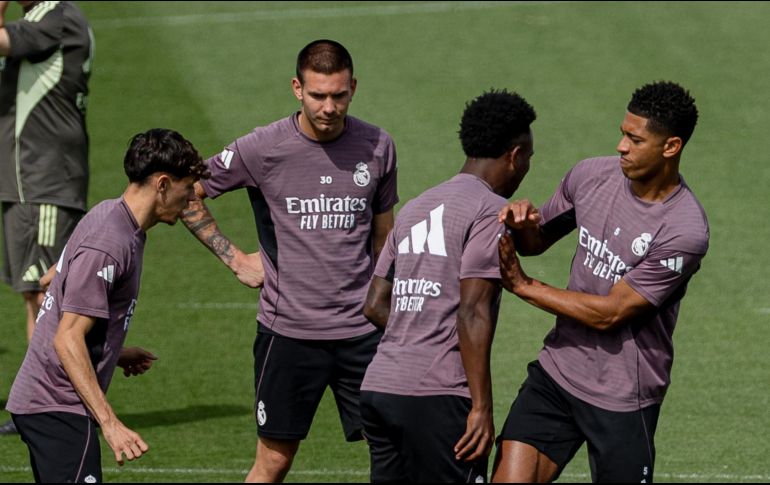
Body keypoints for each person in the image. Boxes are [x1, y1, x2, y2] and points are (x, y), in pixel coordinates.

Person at [181, 39, 398, 482]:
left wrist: (392, 305)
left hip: (363, 333)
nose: (329, 107)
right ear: (297, 88)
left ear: (353, 87)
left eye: (339, 95)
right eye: (318, 95)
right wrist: (235, 257)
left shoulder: (378, 146)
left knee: (394, 450)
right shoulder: (262, 148)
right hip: (289, 333)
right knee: (274, 461)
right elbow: (187, 192)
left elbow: (384, 234)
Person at [491, 81, 709, 483]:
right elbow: (537, 241)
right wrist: (521, 225)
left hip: (624, 397)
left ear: (671, 146)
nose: (621, 146)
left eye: (634, 138)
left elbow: (612, 313)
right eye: (623, 133)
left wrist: (524, 286)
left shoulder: (683, 230)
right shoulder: (591, 176)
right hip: (558, 371)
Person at [5, 128, 209, 483]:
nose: (192, 197)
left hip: (48, 401)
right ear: (162, 184)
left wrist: (113, 351)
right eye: (187, 186)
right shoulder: (110, 242)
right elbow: (66, 339)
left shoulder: (109, 215)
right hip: (57, 404)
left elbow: (51, 279)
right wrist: (110, 424)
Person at [360, 89, 536, 483]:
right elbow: (472, 311)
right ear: (514, 155)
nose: (526, 168)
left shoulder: (415, 207)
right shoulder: (490, 212)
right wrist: (481, 408)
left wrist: (417, 332)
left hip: (380, 389)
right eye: (528, 159)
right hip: (436, 397)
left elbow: (373, 303)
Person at [0, 0, 94, 435]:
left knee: (46, 295)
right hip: (33, 181)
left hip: (42, 181)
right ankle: (40, 400)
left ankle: (54, 406)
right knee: (36, 294)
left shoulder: (53, 14)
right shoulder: (55, 17)